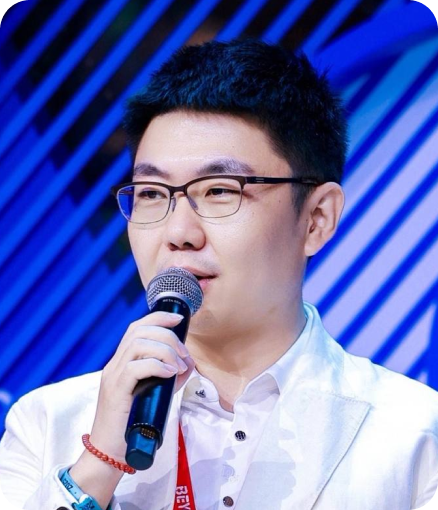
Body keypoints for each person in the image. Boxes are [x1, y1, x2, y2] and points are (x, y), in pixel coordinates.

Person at [0, 38, 437, 510]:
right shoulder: (48, 425)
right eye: (151, 193)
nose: (178, 233)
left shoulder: (414, 436)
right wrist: (99, 464)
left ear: (316, 219)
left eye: (219, 191)